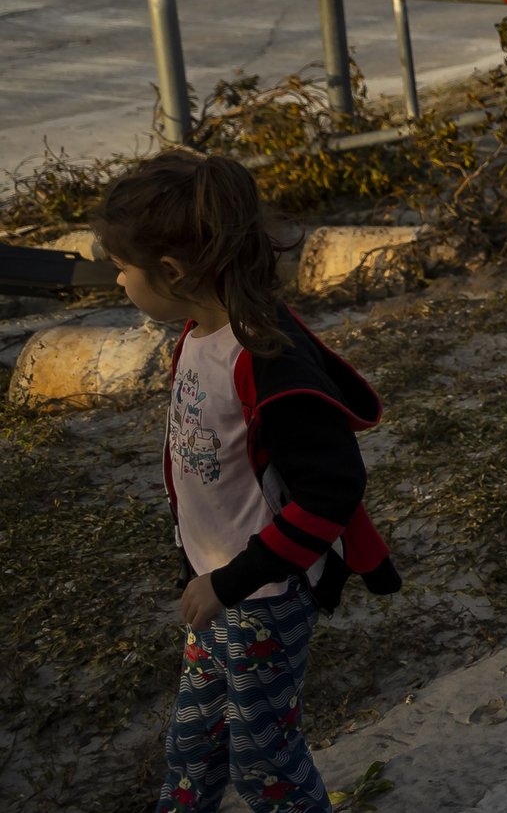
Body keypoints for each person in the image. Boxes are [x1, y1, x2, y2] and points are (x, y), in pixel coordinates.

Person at [103, 148, 401, 813]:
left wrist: (229, 582)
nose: (119, 282)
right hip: (215, 592)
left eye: (123, 268)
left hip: (262, 598)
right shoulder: (195, 334)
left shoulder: (265, 358)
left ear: (173, 271)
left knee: (264, 761)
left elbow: (331, 489)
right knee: (194, 747)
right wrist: (200, 574)